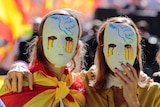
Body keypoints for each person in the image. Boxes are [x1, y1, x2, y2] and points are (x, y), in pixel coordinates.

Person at [2, 17, 159, 107]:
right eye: (112, 45)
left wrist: (133, 101)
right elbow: (53, 76)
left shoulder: (155, 93)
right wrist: (19, 66)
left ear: (137, 50)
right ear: (101, 50)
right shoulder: (84, 84)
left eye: (127, 46)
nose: (119, 52)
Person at [0, 8, 86, 107]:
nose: (60, 45)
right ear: (39, 42)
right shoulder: (17, 84)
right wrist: (18, 65)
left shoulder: (79, 87)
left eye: (68, 38)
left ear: (77, 46)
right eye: (52, 38)